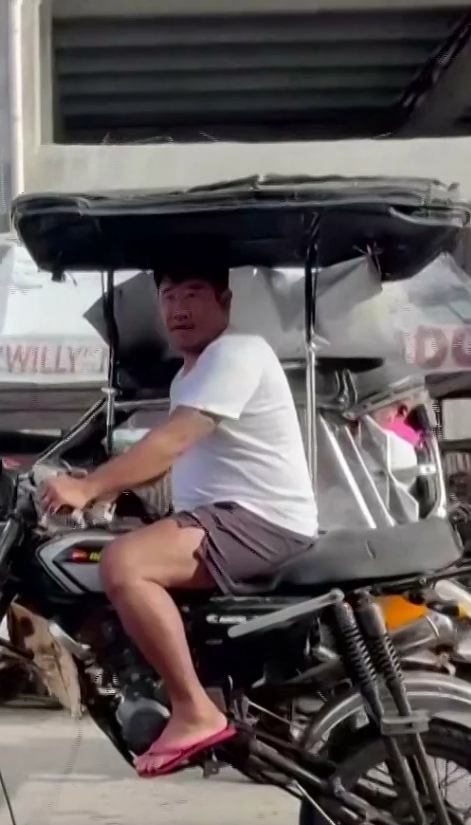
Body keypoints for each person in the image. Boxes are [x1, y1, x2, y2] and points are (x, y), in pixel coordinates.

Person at [41, 266, 318, 777]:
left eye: (193, 292)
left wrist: (89, 486)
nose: (178, 308)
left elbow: (172, 441)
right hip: (227, 517)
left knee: (124, 563)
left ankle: (194, 709)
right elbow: (171, 460)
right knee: (120, 547)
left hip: (261, 519)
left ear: (224, 301)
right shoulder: (190, 373)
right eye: (168, 296)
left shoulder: (237, 352)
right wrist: (104, 486)